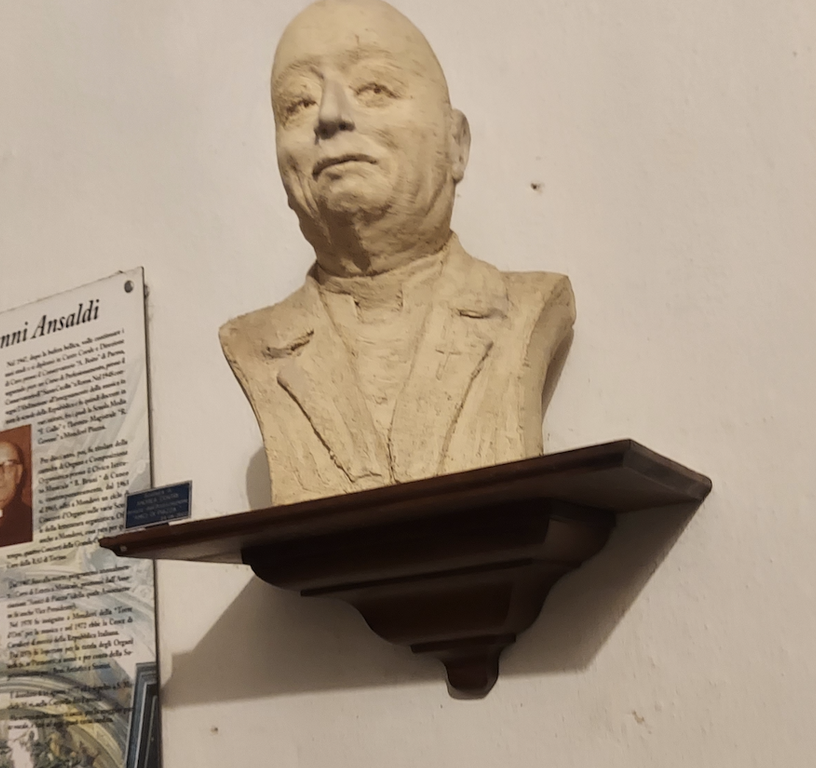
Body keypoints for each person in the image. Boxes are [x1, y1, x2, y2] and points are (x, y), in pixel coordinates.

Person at [220, 0, 576, 505]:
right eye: (298, 103)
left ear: (456, 144)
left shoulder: (527, 306)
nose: (330, 115)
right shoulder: (255, 344)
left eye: (374, 88)